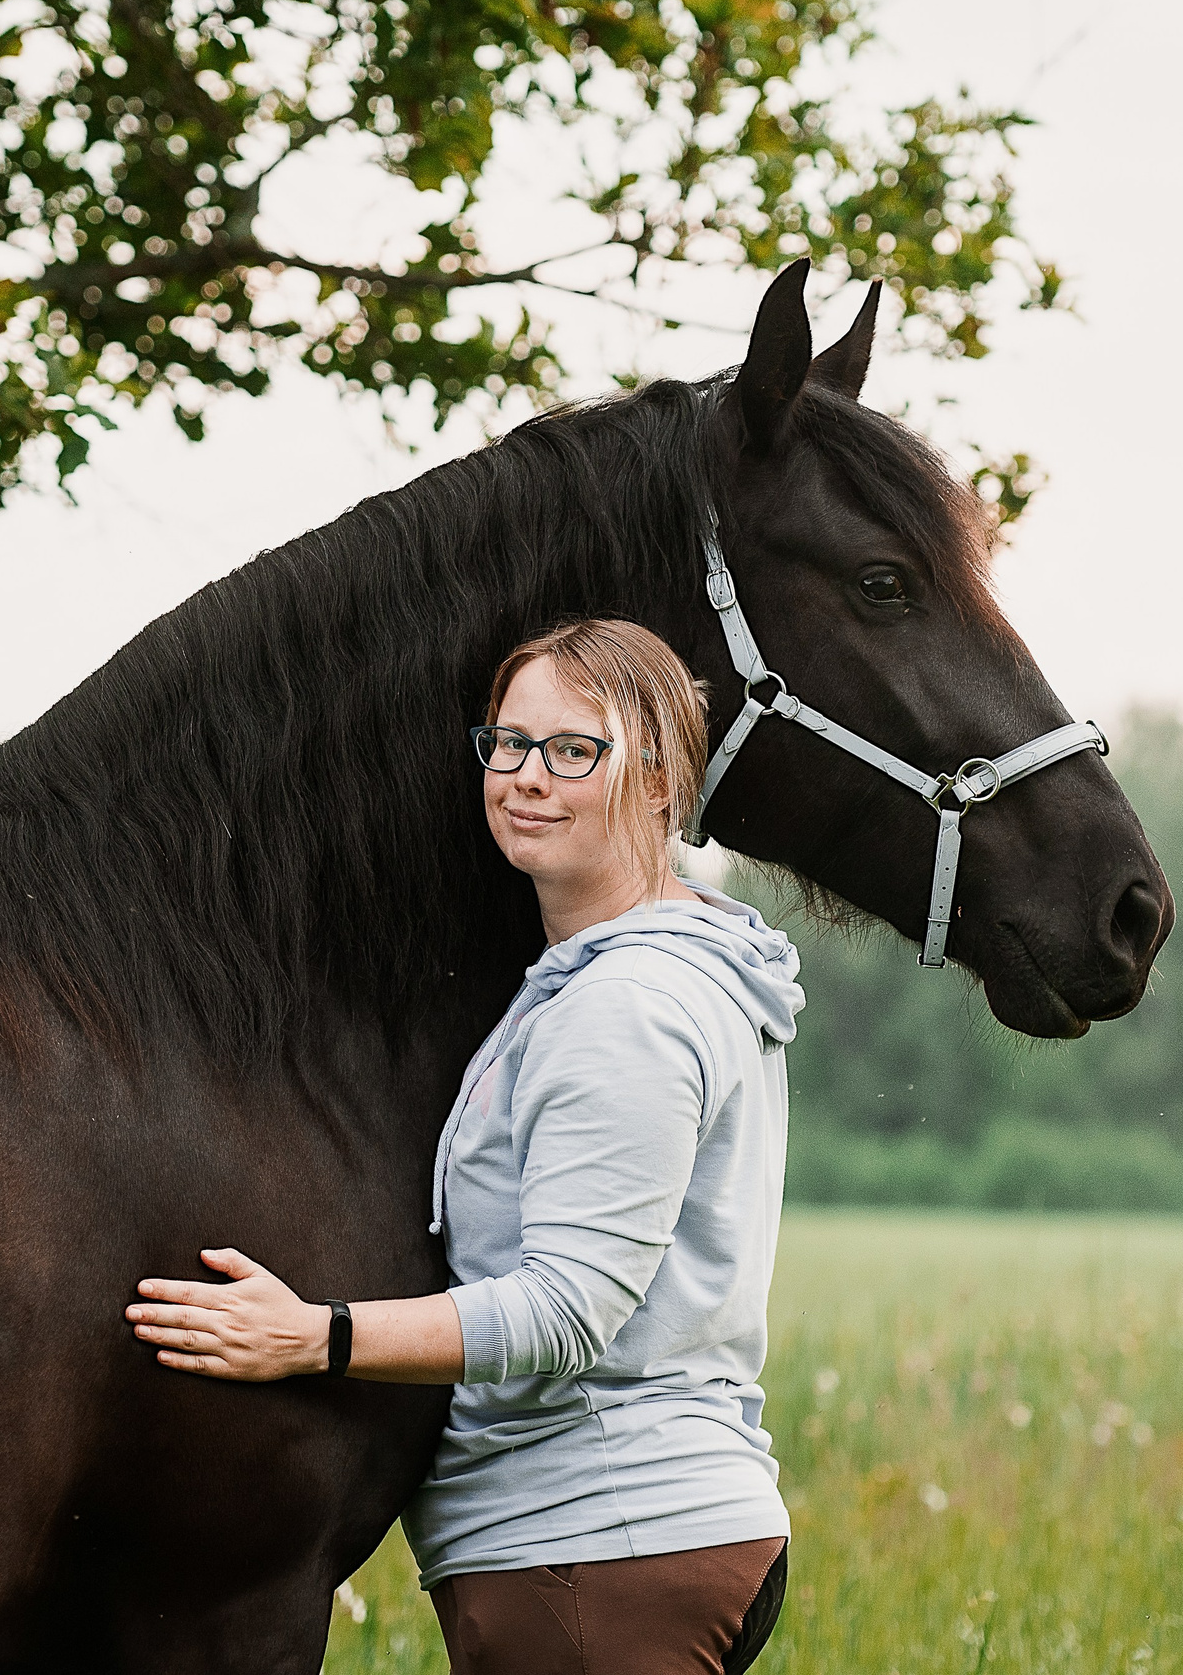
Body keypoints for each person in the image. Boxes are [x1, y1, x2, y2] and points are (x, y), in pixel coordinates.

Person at [122, 618, 804, 1674]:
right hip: (614, 1535)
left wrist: (315, 1335)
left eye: (575, 748)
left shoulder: (624, 1002)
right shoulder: (629, 970)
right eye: (508, 743)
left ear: (665, 779)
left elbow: (569, 1305)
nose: (526, 777)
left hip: (597, 1541)